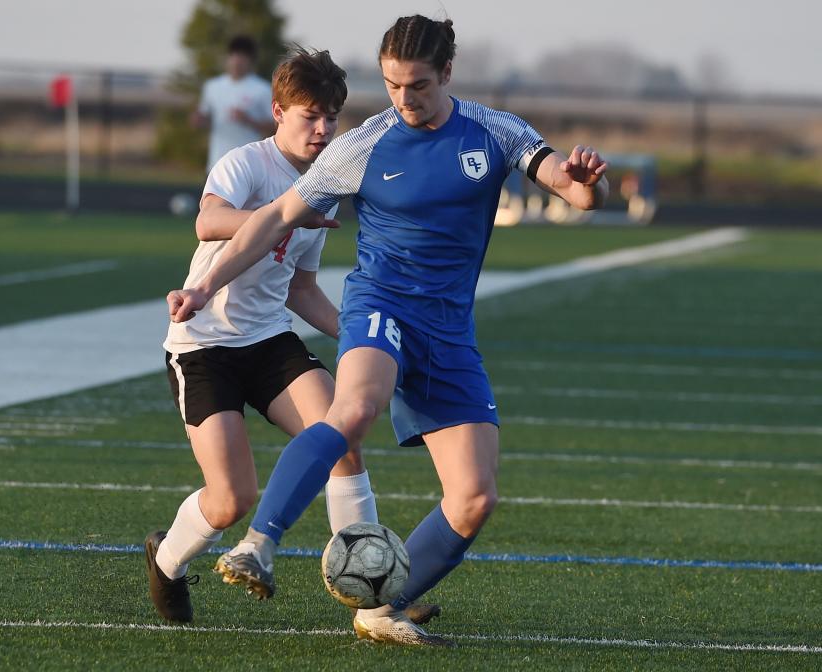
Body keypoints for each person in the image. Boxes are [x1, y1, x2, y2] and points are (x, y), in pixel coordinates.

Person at [168, 15, 609, 645]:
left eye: (419, 86)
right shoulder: (364, 144)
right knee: (355, 408)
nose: (404, 99)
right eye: (393, 85)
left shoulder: (494, 131)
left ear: (447, 74)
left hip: (448, 328)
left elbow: (572, 189)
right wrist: (205, 286)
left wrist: (588, 183)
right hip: (381, 303)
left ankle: (380, 605)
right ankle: (258, 543)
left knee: (474, 497)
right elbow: (273, 220)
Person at [146, 47, 378, 624]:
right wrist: (286, 212)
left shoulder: (323, 185)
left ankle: (371, 597)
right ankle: (165, 560)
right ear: (278, 111)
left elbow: (300, 290)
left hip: (270, 340)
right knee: (231, 501)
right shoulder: (246, 162)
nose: (323, 131)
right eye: (309, 117)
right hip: (202, 346)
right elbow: (208, 220)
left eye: (331, 118)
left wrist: (362, 337)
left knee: (342, 435)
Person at [192, 35, 276, 172]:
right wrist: (198, 120)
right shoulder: (212, 86)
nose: (237, 61)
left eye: (243, 57)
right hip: (216, 164)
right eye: (234, 55)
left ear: (251, 61)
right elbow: (205, 117)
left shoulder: (262, 89)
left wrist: (249, 120)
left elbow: (275, 126)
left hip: (247, 166)